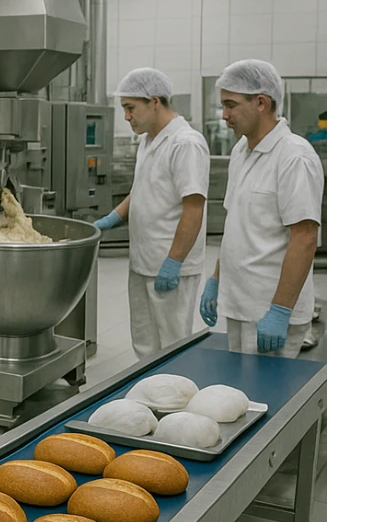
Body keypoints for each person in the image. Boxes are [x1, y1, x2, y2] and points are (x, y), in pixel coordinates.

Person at [199, 59, 322, 358]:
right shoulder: (241, 151)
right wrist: (217, 279)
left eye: (230, 105)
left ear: (261, 103)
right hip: (240, 303)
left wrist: (280, 310)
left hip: (270, 309)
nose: (224, 115)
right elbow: (236, 225)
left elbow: (305, 237)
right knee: (240, 386)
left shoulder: (294, 157)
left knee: (269, 388)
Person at [94, 68, 209, 361]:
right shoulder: (148, 141)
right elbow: (142, 189)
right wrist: (112, 218)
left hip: (170, 264)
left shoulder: (185, 143)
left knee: (172, 345)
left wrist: (174, 261)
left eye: (130, 108)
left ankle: (176, 390)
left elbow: (194, 207)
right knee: (145, 343)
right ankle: (149, 388)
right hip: (143, 260)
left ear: (154, 102)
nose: (126, 117)